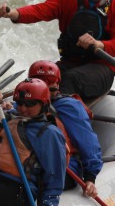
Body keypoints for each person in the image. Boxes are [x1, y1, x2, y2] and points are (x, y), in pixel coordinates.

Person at [26, 60, 103, 197]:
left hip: (63, 166)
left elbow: (87, 142)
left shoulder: (69, 107)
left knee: (29, 182)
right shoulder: (21, 104)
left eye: (51, 80)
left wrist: (90, 177)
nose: (46, 84)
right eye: (41, 80)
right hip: (26, 160)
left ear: (58, 83)